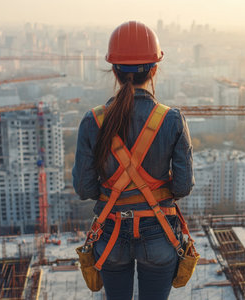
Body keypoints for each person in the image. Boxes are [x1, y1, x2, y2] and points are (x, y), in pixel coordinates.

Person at [72, 21, 194, 300]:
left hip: (111, 232)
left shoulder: (93, 121)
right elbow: (183, 186)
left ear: (113, 70)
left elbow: (85, 189)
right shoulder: (171, 119)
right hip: (159, 232)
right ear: (154, 69)